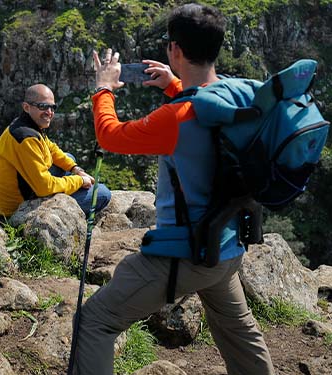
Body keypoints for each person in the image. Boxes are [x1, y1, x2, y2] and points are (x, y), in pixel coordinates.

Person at [74, 4, 274, 374]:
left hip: (186, 253)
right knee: (237, 329)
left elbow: (111, 135)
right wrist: (174, 85)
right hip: (229, 243)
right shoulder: (239, 94)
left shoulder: (176, 118)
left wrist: (103, 89)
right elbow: (204, 110)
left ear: (175, 50)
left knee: (95, 321)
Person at [0, 84, 111, 217]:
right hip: (16, 207)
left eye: (52, 107)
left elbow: (50, 148)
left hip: (21, 187)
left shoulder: (26, 123)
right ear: (26, 107)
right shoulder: (26, 138)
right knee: (103, 193)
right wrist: (79, 181)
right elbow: (44, 187)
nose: (49, 112)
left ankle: (66, 185)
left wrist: (75, 169)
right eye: (43, 106)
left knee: (69, 158)